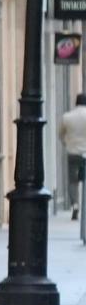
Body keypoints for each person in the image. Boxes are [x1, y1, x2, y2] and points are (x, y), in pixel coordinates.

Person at [60, 93, 86, 221]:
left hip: (73, 153)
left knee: (73, 181)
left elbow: (61, 135)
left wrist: (67, 144)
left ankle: (75, 205)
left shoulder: (67, 117)